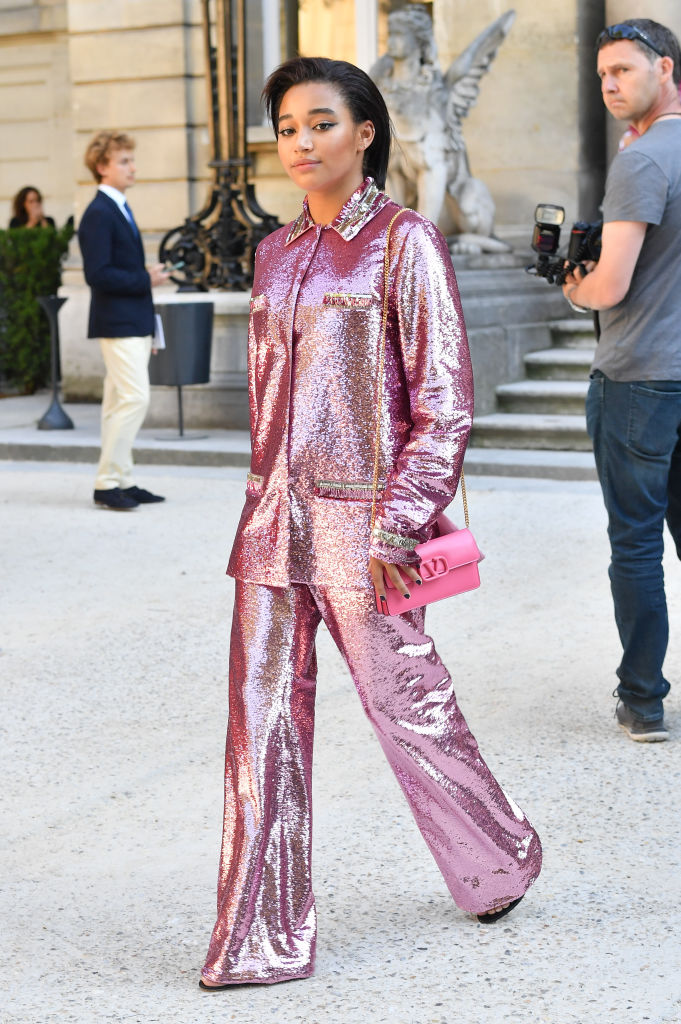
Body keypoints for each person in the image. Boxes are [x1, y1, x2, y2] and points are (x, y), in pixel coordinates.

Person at [200, 56, 542, 990]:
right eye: (286, 129)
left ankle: (500, 855)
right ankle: (257, 934)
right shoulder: (273, 252)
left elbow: (443, 400)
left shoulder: (404, 242)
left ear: (364, 133)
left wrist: (400, 522)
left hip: (370, 530)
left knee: (409, 709)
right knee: (258, 723)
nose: (299, 143)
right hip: (271, 523)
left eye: (318, 123)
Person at [562, 19, 681, 742]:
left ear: (663, 68)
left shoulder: (641, 160)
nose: (609, 86)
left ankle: (641, 701)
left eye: (623, 72)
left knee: (634, 543)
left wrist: (572, 285)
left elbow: (608, 285)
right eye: (602, 74)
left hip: (638, 376)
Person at [78, 131, 169, 510]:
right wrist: (144, 279)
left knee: (118, 403)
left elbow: (114, 268)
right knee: (134, 398)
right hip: (118, 322)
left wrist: (142, 273)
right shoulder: (99, 212)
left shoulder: (117, 207)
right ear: (102, 167)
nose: (133, 167)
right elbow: (97, 275)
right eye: (124, 161)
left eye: (131, 160)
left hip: (129, 319)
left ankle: (120, 479)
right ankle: (107, 483)